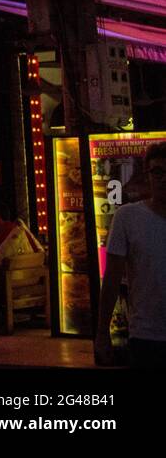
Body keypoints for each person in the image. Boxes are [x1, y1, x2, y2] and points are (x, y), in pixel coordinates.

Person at [96, 143, 166, 368]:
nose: (163, 179)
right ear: (148, 176)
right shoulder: (127, 218)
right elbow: (112, 279)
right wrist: (102, 332)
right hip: (146, 335)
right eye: (157, 172)